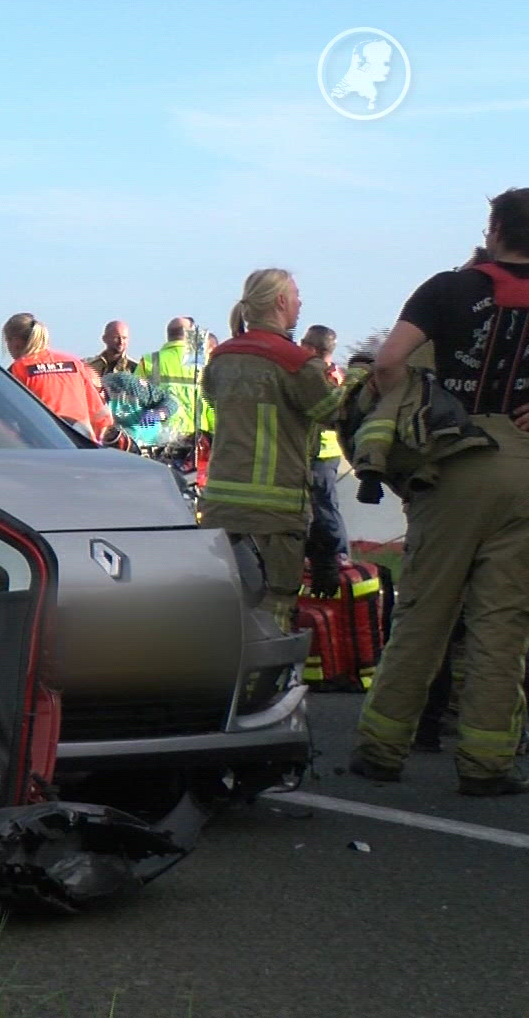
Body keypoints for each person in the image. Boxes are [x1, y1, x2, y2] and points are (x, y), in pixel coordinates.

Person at [352, 188, 529, 796]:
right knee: (504, 625)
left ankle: (381, 751)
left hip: (455, 460)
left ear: (495, 226)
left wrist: (419, 413)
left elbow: (389, 362)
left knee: (425, 613)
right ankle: (487, 766)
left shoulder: (449, 288)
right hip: (525, 471)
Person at [196, 269, 342, 632]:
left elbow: (214, 399)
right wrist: (358, 381)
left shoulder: (222, 358)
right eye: (295, 295)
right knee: (273, 610)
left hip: (221, 507)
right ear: (280, 302)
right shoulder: (295, 363)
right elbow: (333, 412)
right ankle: (265, 684)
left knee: (227, 606)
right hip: (274, 513)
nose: (300, 303)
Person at [1, 313, 115, 442]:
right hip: (83, 445)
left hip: (44, 447)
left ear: (15, 342)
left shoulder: (18, 369)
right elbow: (102, 416)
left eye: (7, 341)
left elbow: (4, 420)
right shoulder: (74, 362)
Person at [299, 325, 350, 568]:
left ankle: (339, 555)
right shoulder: (336, 374)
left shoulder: (321, 376)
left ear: (311, 348)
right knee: (323, 505)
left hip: (321, 450)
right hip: (327, 449)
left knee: (325, 507)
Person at [144, 317, 212, 440]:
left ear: (168, 335)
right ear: (191, 335)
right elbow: (214, 406)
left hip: (160, 440)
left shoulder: (150, 361)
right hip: (199, 440)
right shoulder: (205, 363)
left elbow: (135, 402)